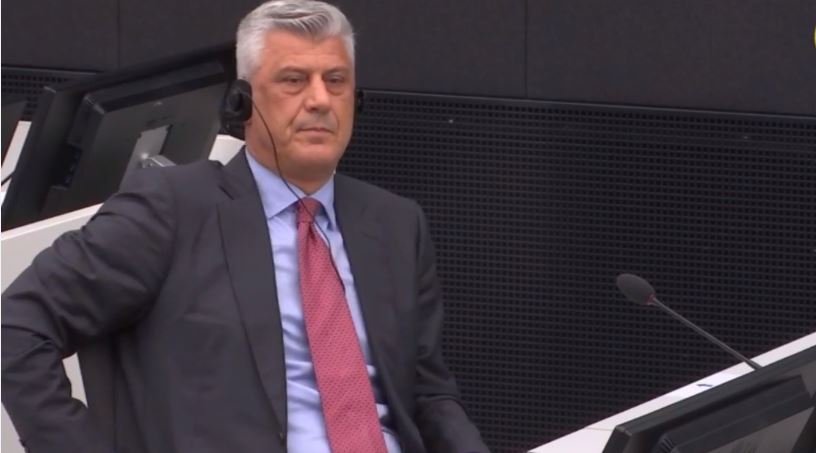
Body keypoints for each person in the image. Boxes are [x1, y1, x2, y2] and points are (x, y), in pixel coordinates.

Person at [1, 1, 490, 452]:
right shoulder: (170, 210)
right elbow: (16, 326)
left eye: (336, 80)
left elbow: (429, 394)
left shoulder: (396, 223)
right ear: (241, 103)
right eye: (294, 80)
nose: (320, 99)